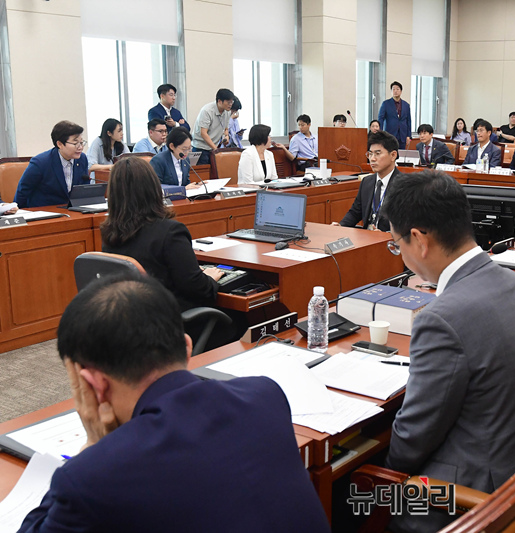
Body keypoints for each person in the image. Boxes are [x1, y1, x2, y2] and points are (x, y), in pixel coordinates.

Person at [17, 274, 329, 532]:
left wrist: (93, 446)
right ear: (187, 347)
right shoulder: (265, 395)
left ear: (92, 385)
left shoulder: (91, 477)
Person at [381, 170, 515, 532]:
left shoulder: (441, 318)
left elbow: (413, 437)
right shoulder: (513, 282)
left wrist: (385, 476)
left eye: (396, 244)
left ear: (419, 239)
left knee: (348, 495)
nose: (400, 253)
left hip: (475, 498)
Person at [101, 157, 244, 347]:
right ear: (153, 189)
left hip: (132, 325)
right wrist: (209, 278)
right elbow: (197, 288)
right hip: (173, 325)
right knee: (243, 318)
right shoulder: (170, 231)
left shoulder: (110, 234)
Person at [14, 121, 90, 208]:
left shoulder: (82, 159)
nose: (80, 147)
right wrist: (18, 212)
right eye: (75, 143)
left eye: (81, 142)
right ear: (60, 144)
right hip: (45, 211)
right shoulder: (40, 162)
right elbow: (23, 191)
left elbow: (85, 188)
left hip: (72, 211)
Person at [337, 131, 401, 231]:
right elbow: (355, 212)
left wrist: (387, 235)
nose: (372, 159)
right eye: (370, 154)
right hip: (367, 236)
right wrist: (340, 226)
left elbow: (409, 224)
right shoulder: (367, 181)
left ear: (393, 155)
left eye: (377, 154)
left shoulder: (405, 185)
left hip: (389, 238)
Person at [191, 88, 235, 165]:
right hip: (201, 148)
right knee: (204, 171)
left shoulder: (227, 112)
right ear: (220, 101)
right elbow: (203, 133)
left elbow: (226, 128)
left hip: (214, 148)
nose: (230, 104)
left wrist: (226, 136)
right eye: (228, 102)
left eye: (232, 102)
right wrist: (216, 150)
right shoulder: (207, 111)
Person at [377, 81, 412, 149]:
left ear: (401, 91)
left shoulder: (406, 105)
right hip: (389, 134)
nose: (395, 91)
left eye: (397, 89)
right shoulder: (386, 104)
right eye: (393, 89)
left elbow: (408, 121)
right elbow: (380, 119)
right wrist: (380, 133)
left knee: (401, 153)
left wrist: (408, 136)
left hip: (402, 135)